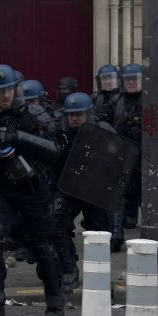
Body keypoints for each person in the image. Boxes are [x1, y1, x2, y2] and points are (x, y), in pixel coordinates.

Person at [0, 64, 65, 316]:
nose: (5, 96)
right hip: (0, 189)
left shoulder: (33, 114)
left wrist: (16, 137)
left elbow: (55, 150)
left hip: (32, 188)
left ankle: (55, 300)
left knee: (42, 244)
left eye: (8, 89)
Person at [51, 93, 116, 300]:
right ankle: (68, 269)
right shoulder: (60, 134)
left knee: (100, 232)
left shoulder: (104, 131)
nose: (74, 118)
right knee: (55, 222)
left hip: (96, 190)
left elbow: (118, 163)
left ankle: (100, 276)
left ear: (88, 113)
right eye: (70, 115)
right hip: (68, 188)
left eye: (79, 114)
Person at [112, 63, 143, 229]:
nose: (131, 83)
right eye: (128, 80)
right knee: (123, 188)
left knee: (146, 188)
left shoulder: (150, 98)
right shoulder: (118, 101)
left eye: (134, 79)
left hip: (146, 152)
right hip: (124, 150)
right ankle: (120, 228)